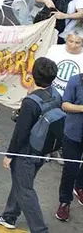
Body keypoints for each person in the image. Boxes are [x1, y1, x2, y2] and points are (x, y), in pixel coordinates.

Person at [0, 56, 58, 233]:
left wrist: (9, 155)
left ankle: (40, 229)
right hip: (42, 149)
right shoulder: (55, 94)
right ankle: (9, 216)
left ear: (32, 74)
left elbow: (20, 133)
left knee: (26, 190)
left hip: (26, 153)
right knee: (21, 183)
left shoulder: (30, 103)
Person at [58, 60, 83, 222]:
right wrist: (82, 108)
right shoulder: (75, 80)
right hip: (74, 133)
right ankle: (64, 202)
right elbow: (65, 105)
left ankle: (79, 186)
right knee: (70, 169)